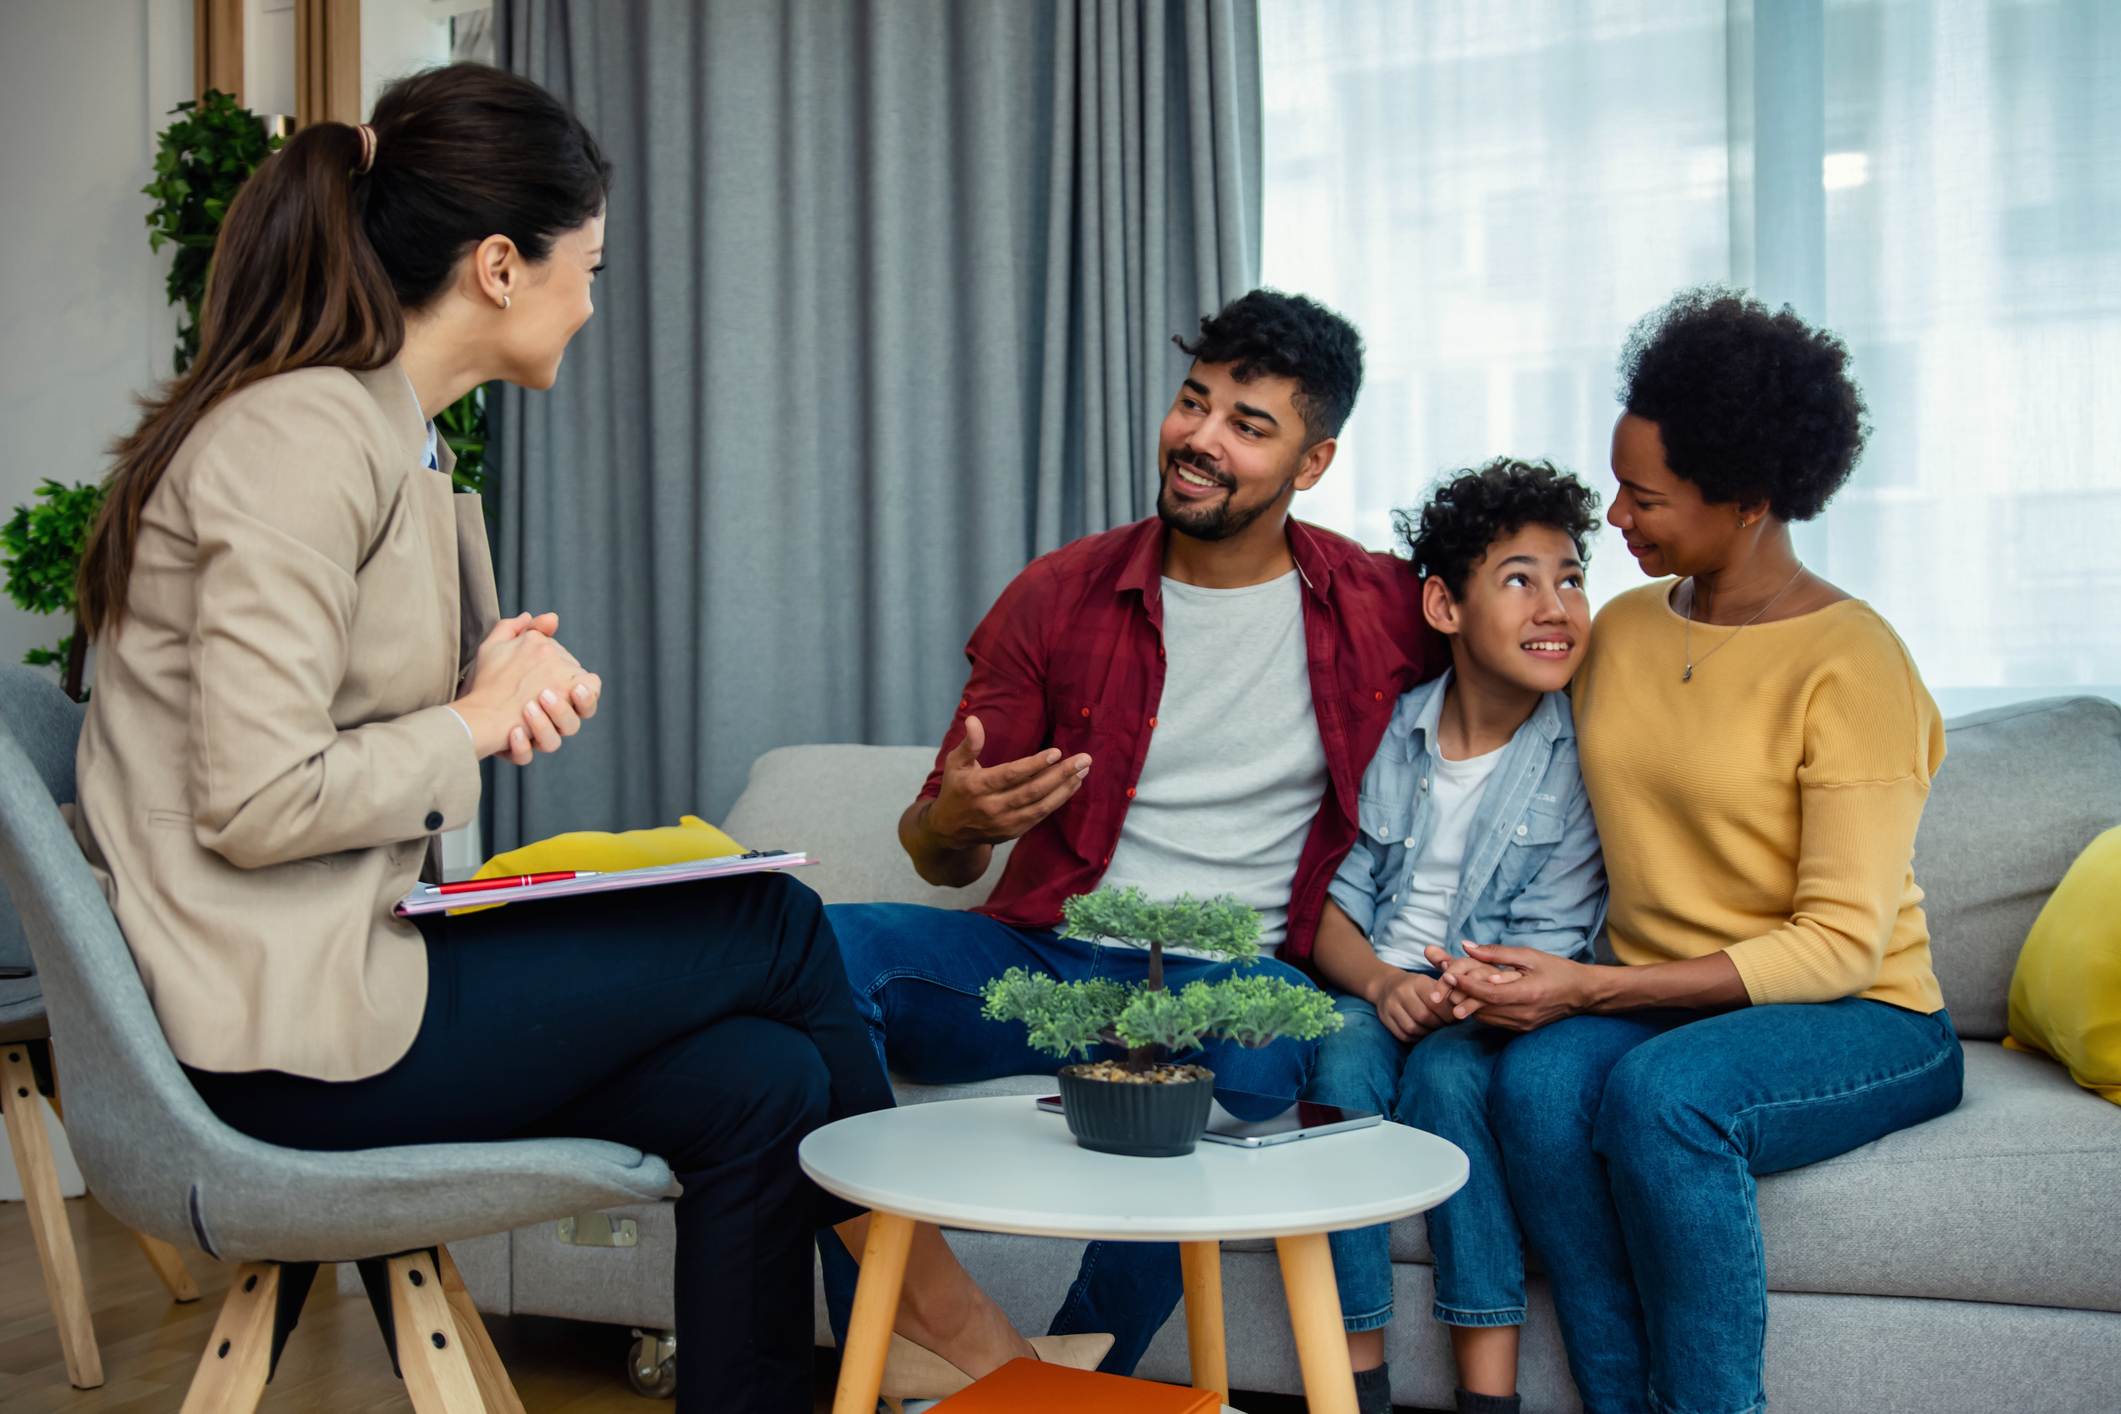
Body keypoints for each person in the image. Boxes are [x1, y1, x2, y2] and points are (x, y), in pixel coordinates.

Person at [66, 64, 1059, 1414]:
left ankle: (865, 1349)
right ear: (497, 266)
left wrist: (478, 686)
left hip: (334, 989)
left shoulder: (380, 435)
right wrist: (472, 716)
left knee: (761, 1079)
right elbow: (255, 796)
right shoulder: (301, 435)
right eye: (584, 267)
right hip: (273, 1046)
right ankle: (950, 1320)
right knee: (770, 922)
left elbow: (323, 719)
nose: (591, 301)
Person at [825, 289, 1444, 1373]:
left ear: (1313, 463)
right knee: (816, 949)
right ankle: (935, 1334)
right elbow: (940, 850)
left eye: (1248, 425)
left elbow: (1517, 634)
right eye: (1193, 403)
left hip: (1229, 977)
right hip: (1051, 959)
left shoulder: (1379, 607)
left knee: (1268, 1032)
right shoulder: (1060, 595)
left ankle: (1080, 1376)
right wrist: (953, 820)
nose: (1201, 439)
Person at [1435, 288, 1964, 1414]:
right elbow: (1483, 688)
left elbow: (1838, 946)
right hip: (1662, 997)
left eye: (1645, 498)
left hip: (1864, 1013)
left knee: (1663, 1098)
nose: (1614, 517)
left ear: (1751, 502)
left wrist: (1589, 987)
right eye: (1617, 486)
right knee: (1536, 1086)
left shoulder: (1854, 663)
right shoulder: (1624, 627)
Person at [1303, 459, 1608, 1414]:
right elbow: (1329, 902)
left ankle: (1487, 1395)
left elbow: (1558, 938)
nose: (1554, 606)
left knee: (1447, 1082)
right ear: (1443, 605)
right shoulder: (1390, 733)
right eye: (1519, 579)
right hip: (1376, 984)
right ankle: (1352, 1384)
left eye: (1570, 578)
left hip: (1497, 1004)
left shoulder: (1579, 759)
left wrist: (1463, 994)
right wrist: (1381, 985)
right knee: (1339, 1058)